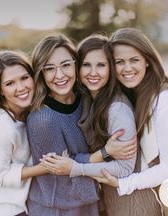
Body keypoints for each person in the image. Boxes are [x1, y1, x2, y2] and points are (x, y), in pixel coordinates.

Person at [93, 28, 168, 216]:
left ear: (147, 61)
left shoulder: (166, 98)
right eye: (119, 62)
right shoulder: (139, 95)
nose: (127, 68)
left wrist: (122, 184)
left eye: (134, 60)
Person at [41, 34, 140, 216]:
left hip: (131, 201)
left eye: (101, 65)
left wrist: (76, 168)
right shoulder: (88, 99)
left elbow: (125, 167)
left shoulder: (117, 109)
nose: (93, 72)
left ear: (111, 69)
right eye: (86, 65)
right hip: (108, 198)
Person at [27, 34, 100, 216]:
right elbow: (64, 168)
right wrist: (106, 154)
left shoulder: (86, 99)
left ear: (76, 64)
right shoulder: (43, 119)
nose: (59, 75)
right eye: (49, 68)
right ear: (41, 73)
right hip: (57, 207)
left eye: (66, 65)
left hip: (84, 201)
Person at [0, 50, 48, 216]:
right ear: (0, 90)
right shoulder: (2, 126)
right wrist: (45, 168)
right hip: (5, 211)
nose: (21, 87)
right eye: (10, 83)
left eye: (24, 78)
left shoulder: (23, 115)